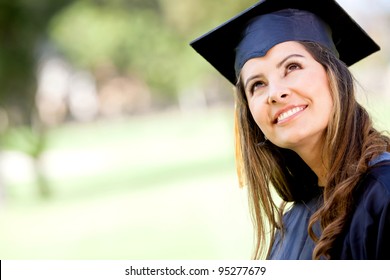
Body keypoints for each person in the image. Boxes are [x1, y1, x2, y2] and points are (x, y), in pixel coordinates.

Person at [190, 0, 390, 260]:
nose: (275, 93)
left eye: (292, 67)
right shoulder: (291, 224)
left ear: (335, 76)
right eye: (257, 85)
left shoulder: (383, 193)